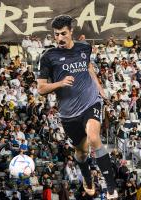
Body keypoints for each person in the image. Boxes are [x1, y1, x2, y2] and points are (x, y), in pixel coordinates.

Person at [37, 15, 117, 199]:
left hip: (91, 101)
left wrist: (101, 90)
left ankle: (111, 187)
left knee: (94, 136)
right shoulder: (49, 57)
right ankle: (87, 178)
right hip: (68, 113)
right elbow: (41, 89)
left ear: (71, 31)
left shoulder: (85, 47)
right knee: (81, 152)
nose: (59, 38)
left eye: (63, 33)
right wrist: (60, 83)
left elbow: (89, 68)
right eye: (56, 35)